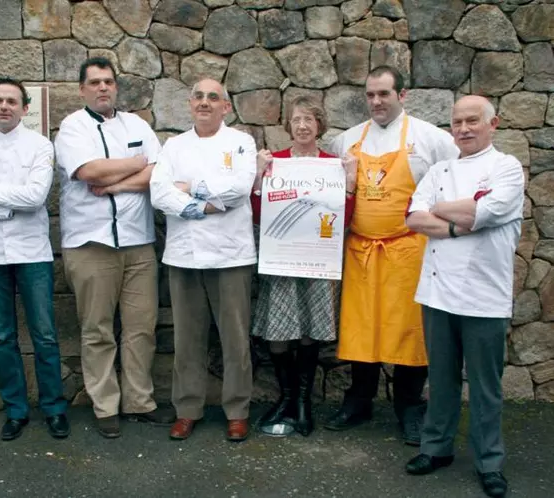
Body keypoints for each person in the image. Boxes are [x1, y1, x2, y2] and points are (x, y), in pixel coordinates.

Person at [324, 66, 459, 445]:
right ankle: (359, 401)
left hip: (408, 250)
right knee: (361, 326)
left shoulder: (432, 140)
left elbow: (453, 182)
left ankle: (409, 407)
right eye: (370, 95)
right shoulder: (347, 141)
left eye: (384, 94)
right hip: (361, 250)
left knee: (408, 330)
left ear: (403, 95)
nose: (376, 102)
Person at [404, 96, 522, 498]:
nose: (464, 129)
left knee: (486, 385)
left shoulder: (507, 168)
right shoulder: (439, 169)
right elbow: (414, 218)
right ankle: (436, 449)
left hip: (485, 295)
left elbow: (485, 213)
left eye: (473, 121)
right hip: (437, 293)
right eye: (457, 122)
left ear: (494, 124)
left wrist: (443, 209)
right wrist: (456, 219)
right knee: (440, 379)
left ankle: (490, 461)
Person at [54, 57, 174, 439]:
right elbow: (89, 171)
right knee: (97, 331)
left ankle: (139, 401)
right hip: (91, 244)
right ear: (82, 89)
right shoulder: (72, 127)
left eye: (108, 81)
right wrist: (136, 161)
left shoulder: (136, 124)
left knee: (141, 329)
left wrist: (117, 183)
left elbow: (161, 172)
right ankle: (105, 405)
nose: (103, 88)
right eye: (95, 82)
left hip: (138, 243)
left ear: (116, 87)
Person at [0, 77, 69, 441]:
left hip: (32, 252)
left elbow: (36, 197)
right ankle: (16, 410)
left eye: (12, 101)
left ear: (25, 107)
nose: (4, 106)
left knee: (45, 335)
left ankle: (54, 408)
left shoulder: (39, 146)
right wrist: (7, 206)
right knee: (3, 335)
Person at [150, 78, 257, 442]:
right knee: (188, 339)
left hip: (231, 254)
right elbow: (160, 192)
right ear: (189, 103)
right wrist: (204, 207)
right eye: (199, 96)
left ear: (226, 106)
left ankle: (238, 410)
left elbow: (240, 188)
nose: (205, 102)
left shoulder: (242, 143)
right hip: (184, 254)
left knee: (235, 339)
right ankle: (187, 409)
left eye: (213, 97)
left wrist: (190, 188)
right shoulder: (174, 145)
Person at [251, 97, 357, 437]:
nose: (302, 126)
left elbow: (345, 218)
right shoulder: (276, 162)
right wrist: (257, 176)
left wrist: (351, 181)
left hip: (317, 260)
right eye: (297, 119)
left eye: (309, 119)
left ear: (320, 126)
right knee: (278, 334)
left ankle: (303, 405)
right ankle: (287, 398)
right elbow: (257, 214)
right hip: (281, 259)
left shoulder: (332, 165)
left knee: (311, 331)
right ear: (288, 125)